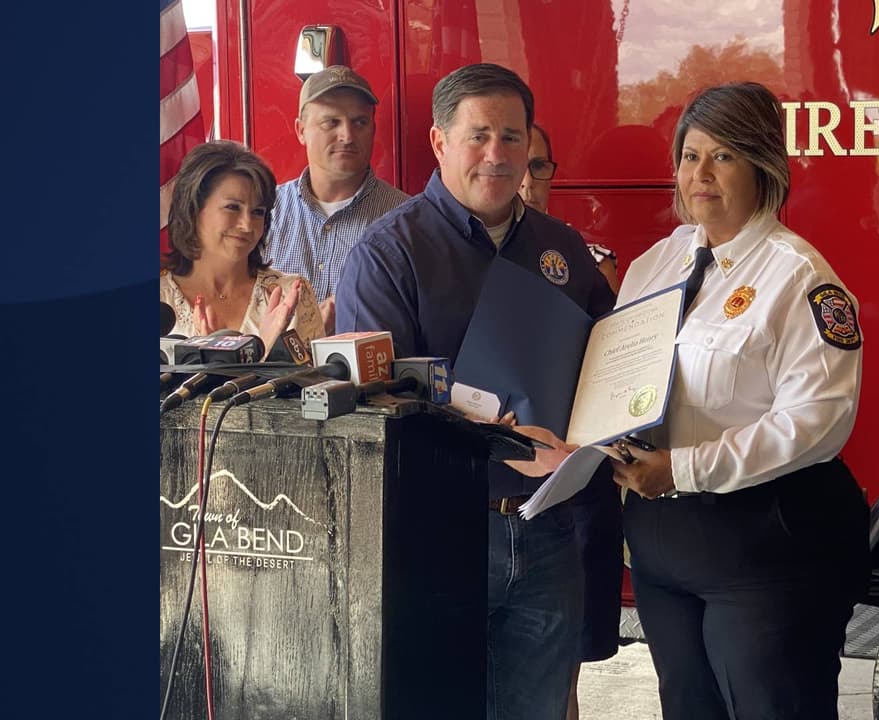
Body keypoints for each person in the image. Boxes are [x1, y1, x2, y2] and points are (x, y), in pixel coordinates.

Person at [334, 63, 616, 720]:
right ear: (439, 142)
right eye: (479, 135)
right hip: (439, 536)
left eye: (512, 137)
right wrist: (493, 436)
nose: (497, 154)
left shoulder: (562, 247)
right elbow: (375, 406)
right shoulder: (388, 254)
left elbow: (607, 362)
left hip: (548, 530)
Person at [609, 82, 871, 720]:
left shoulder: (800, 277)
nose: (700, 174)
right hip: (662, 543)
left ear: (762, 167)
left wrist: (684, 468)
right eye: (690, 155)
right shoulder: (655, 265)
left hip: (766, 546)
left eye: (723, 156)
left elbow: (817, 423)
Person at [516, 121, 623, 720]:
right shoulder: (455, 257)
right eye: (519, 164)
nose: (526, 180)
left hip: (574, 485)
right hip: (495, 489)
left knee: (563, 676)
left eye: (539, 166)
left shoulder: (586, 262)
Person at [265, 65, 408, 335]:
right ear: (301, 130)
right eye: (331, 122)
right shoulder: (264, 214)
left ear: (373, 129)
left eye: (359, 122)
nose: (347, 136)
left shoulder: (406, 219)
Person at [161, 140, 324, 350]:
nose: (247, 225)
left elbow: (316, 372)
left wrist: (268, 351)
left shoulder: (292, 294)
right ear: (193, 210)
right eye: (233, 207)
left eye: (257, 212)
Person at [519, 122, 621, 295]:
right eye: (517, 165)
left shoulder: (592, 262)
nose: (528, 183)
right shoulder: (476, 257)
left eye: (539, 166)